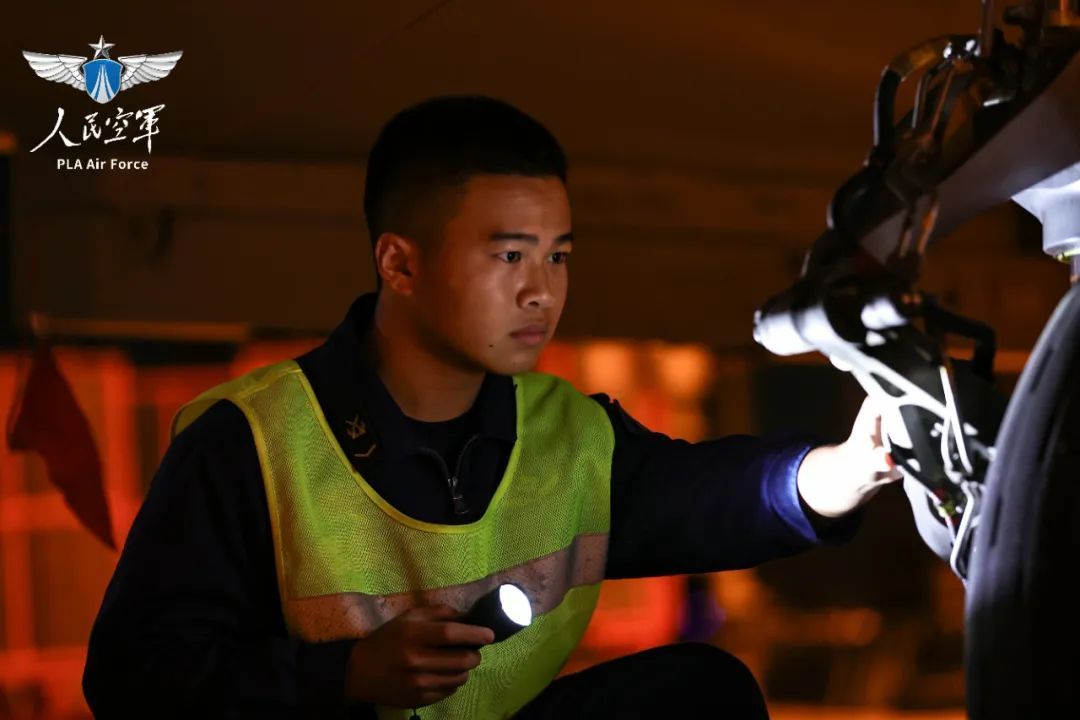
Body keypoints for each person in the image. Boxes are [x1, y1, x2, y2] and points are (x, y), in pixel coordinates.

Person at [83, 96, 901, 719]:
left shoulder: (562, 434)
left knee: (699, 691)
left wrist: (847, 468)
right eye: (509, 255)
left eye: (557, 256)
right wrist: (344, 676)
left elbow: (707, 496)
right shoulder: (250, 441)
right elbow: (132, 678)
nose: (541, 290)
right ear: (400, 265)